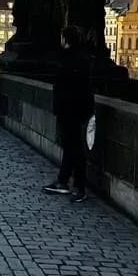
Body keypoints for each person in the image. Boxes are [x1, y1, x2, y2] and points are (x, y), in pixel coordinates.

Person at [43, 25, 95, 203]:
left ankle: (79, 187)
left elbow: (75, 88)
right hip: (70, 109)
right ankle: (63, 181)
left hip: (72, 110)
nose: (60, 40)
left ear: (67, 39)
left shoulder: (76, 59)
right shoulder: (76, 58)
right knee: (71, 147)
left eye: (62, 37)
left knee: (75, 149)